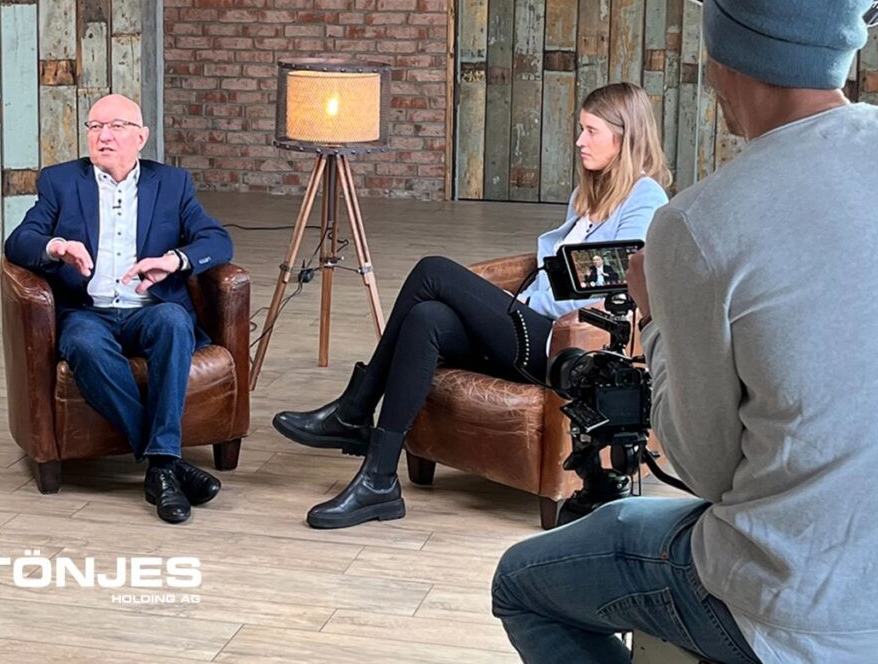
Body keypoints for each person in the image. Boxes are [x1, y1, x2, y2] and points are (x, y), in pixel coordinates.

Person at [491, 0, 878, 664]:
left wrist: (656, 311)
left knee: (523, 582)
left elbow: (703, 471)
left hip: (788, 605)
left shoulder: (697, 225)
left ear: (732, 59)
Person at [273, 82, 671, 529]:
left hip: (558, 344)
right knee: (427, 318)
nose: (579, 140)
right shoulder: (588, 196)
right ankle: (379, 480)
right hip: (526, 320)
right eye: (580, 129)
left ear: (625, 136)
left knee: (432, 271)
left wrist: (514, 306)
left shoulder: (646, 197)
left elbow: (619, 282)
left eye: (591, 131)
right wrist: (512, 301)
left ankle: (355, 410)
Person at [4, 93, 234, 525]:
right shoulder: (60, 182)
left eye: (115, 127)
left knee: (172, 322)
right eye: (94, 127)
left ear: (141, 137)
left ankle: (160, 462)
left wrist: (174, 261)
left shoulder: (171, 184)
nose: (103, 136)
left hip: (150, 306)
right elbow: (19, 242)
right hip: (87, 312)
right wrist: (57, 247)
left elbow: (218, 241)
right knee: (84, 346)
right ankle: (165, 463)